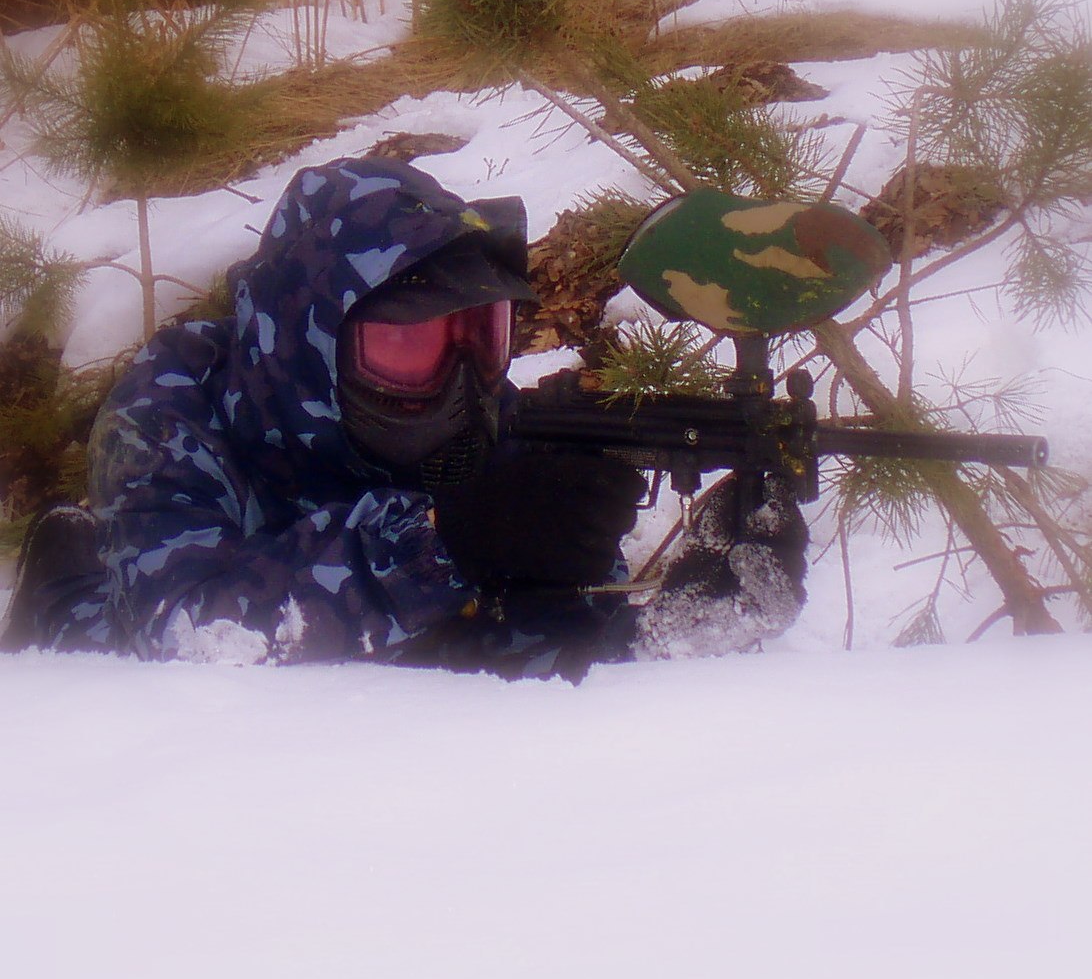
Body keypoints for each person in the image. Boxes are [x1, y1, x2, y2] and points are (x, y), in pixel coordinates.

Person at [0, 159, 807, 676]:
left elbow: (477, 646)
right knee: (94, 630)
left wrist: (664, 628)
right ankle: (59, 562)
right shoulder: (164, 420)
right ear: (314, 339)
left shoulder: (471, 423)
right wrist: (441, 544)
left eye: (481, 336)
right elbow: (187, 639)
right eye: (410, 344)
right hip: (108, 637)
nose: (461, 378)